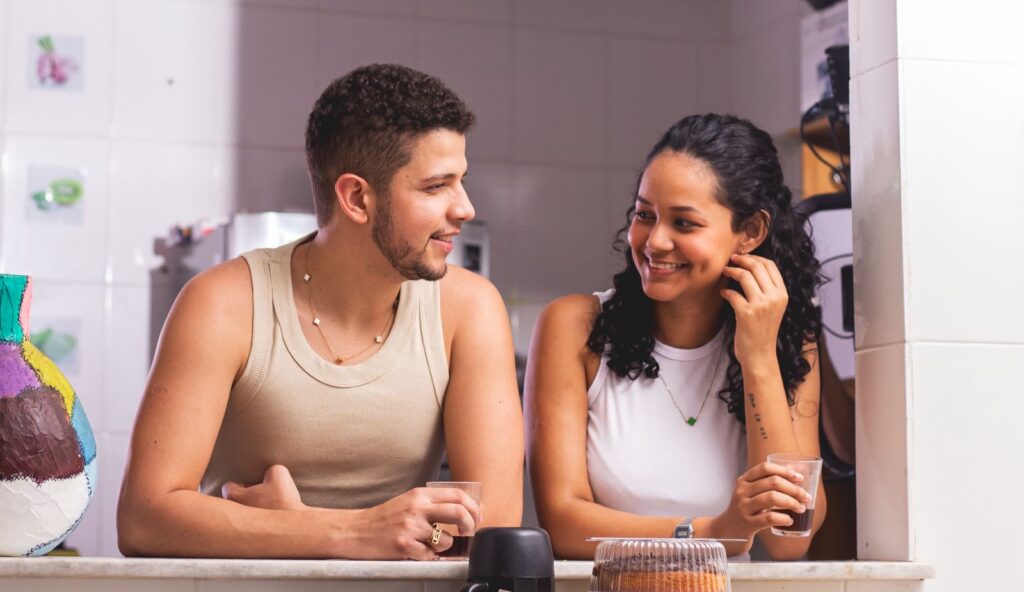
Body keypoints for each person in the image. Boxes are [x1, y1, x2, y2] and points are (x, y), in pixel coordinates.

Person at [117, 64, 524, 559]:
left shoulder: (470, 309)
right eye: (436, 186)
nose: (464, 207)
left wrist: (302, 523)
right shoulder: (223, 304)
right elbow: (144, 518)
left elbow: (495, 528)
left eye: (461, 181)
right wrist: (350, 533)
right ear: (356, 198)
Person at [524, 114, 825, 560]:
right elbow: (563, 522)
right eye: (645, 214)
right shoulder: (574, 327)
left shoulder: (790, 344)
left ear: (751, 232)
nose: (655, 241)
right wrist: (713, 531)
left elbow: (788, 539)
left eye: (684, 223)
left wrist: (758, 356)